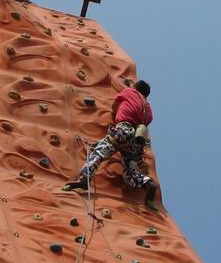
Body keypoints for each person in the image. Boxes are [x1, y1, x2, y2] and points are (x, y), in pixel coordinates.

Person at [63, 79, 159, 210]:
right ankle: (147, 183)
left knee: (99, 152)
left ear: (135, 87)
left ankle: (84, 179)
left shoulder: (129, 92)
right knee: (130, 170)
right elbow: (146, 122)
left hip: (123, 130)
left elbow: (115, 106)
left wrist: (115, 114)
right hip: (137, 140)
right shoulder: (148, 109)